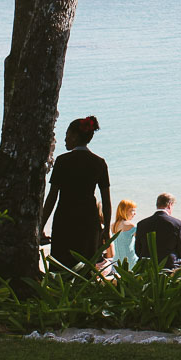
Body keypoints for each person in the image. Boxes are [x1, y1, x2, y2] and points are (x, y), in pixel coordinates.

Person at [40, 115, 110, 270]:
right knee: (86, 266)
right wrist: (106, 231)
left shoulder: (62, 161)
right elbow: (106, 200)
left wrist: (41, 224)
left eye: (67, 135)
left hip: (65, 219)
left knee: (62, 265)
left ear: (74, 136)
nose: (65, 140)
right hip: (89, 222)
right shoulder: (99, 163)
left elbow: (52, 197)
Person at [134, 193, 181, 270]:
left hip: (147, 268)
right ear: (170, 205)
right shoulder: (177, 224)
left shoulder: (141, 224)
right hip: (169, 266)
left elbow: (138, 251)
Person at [105, 199, 139, 276]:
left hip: (117, 261)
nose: (135, 213)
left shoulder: (113, 226)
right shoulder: (130, 225)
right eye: (132, 210)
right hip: (130, 260)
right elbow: (141, 242)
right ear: (125, 211)